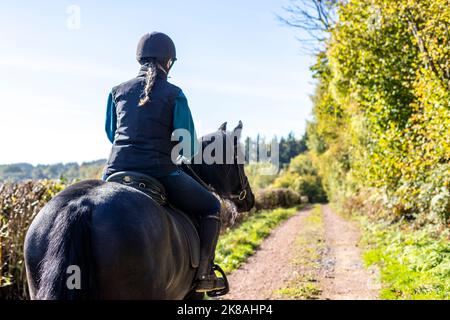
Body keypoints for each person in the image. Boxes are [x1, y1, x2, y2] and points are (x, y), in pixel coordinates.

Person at [102, 32, 225, 293]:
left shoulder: (117, 92)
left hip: (114, 171)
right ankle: (204, 273)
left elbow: (111, 134)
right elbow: (189, 146)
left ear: (139, 59)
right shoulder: (174, 93)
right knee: (212, 205)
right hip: (160, 172)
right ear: (168, 62)